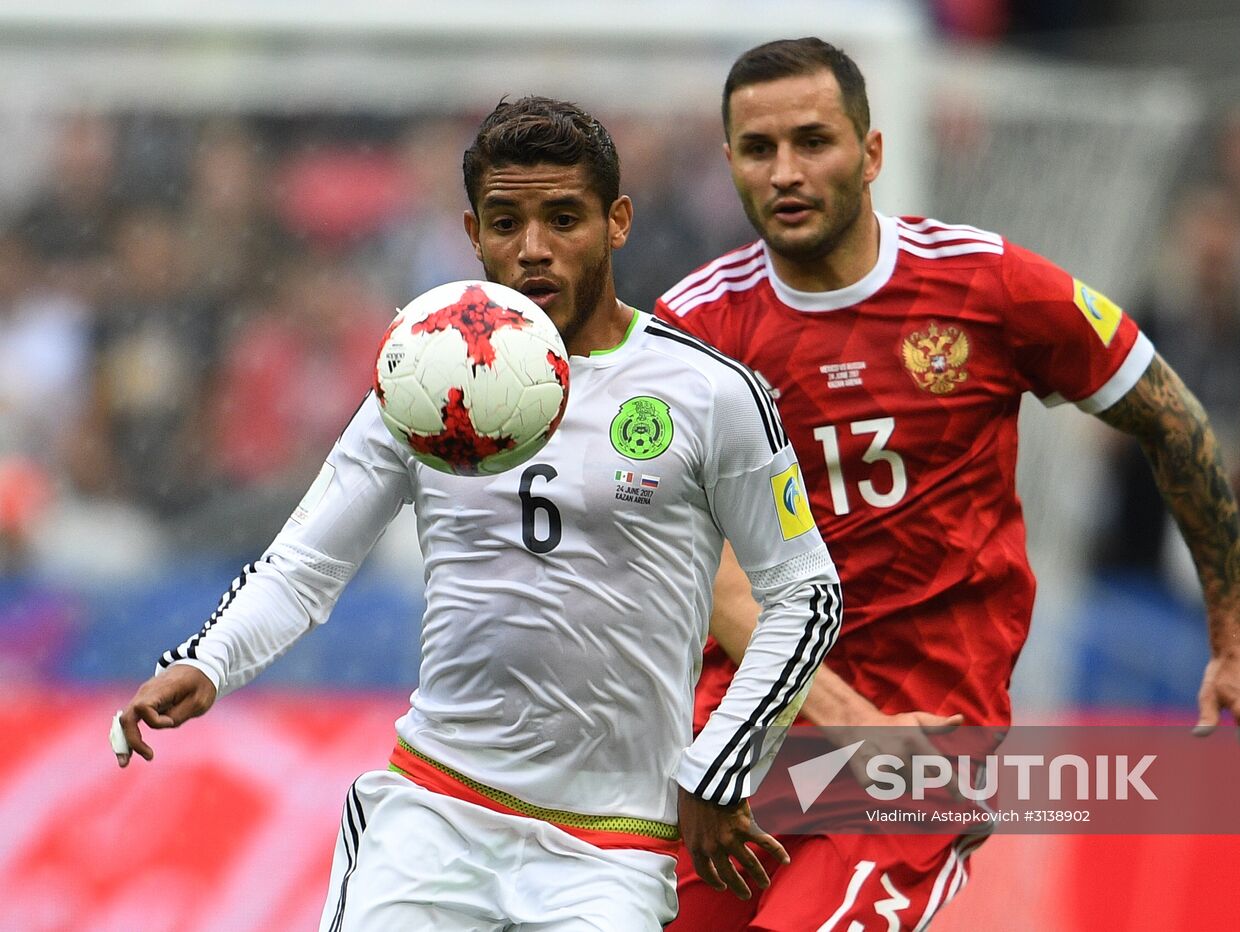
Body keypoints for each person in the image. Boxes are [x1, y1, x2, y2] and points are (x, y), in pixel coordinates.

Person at [115, 96, 842, 930]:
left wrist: (721, 768)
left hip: (610, 849)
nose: (533, 249)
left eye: (563, 218)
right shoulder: (424, 372)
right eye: (506, 222)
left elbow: (804, 594)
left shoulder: (711, 393)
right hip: (434, 815)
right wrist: (209, 661)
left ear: (619, 223)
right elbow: (307, 564)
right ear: (473, 234)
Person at [654, 38, 1240, 929]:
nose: (787, 172)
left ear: (873, 153)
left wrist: (1238, 632)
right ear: (729, 164)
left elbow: (1170, 415)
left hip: (923, 737)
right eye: (760, 151)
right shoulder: (694, 331)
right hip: (751, 733)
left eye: (814, 141)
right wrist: (845, 723)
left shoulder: (983, 285)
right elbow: (708, 569)